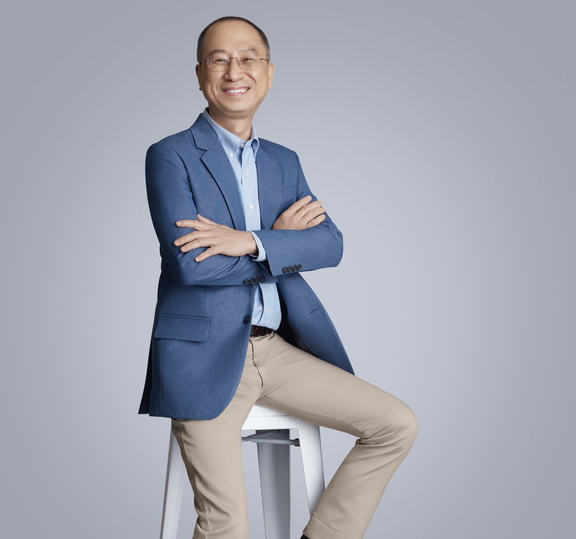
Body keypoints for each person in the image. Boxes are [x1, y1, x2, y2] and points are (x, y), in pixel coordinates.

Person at [139, 16, 418, 539]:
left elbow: (330, 245)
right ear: (199, 74)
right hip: (202, 356)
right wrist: (281, 244)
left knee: (395, 424)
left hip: (279, 351)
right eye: (219, 59)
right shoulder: (170, 155)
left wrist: (251, 240)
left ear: (268, 73)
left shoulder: (283, 162)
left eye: (248, 59)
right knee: (227, 526)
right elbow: (192, 267)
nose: (234, 71)